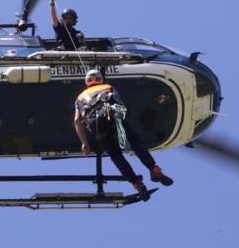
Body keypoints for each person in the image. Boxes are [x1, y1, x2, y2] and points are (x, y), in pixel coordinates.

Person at [74, 69, 173, 201]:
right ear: (100, 79)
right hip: (112, 115)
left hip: (96, 127)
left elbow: (76, 121)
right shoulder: (108, 87)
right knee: (134, 142)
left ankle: (136, 183)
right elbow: (120, 105)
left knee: (115, 155)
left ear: (86, 81)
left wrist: (84, 143)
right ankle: (153, 169)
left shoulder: (79, 98)